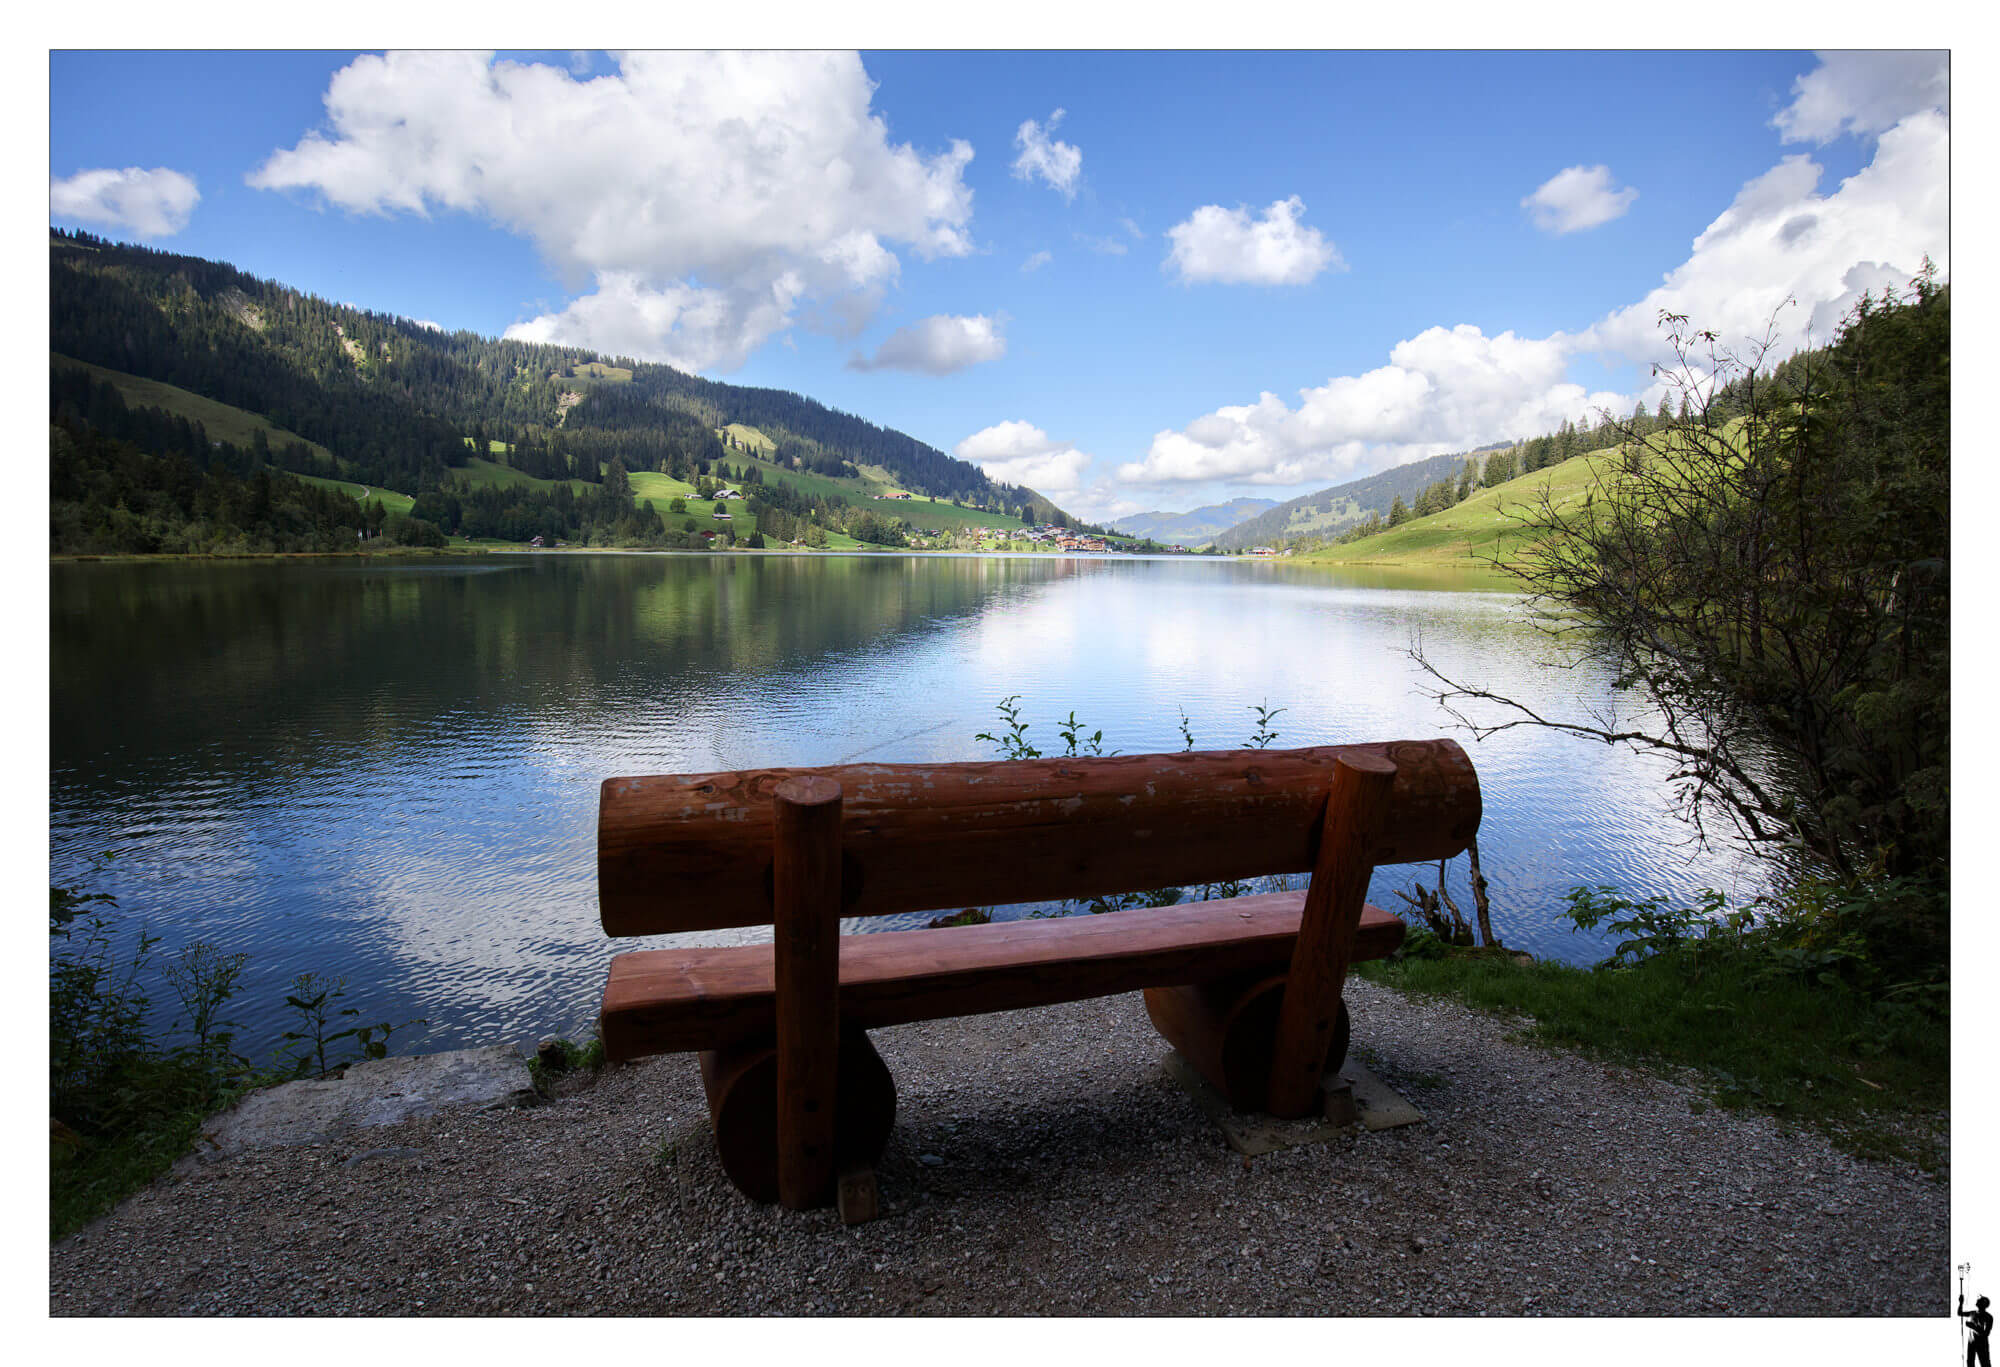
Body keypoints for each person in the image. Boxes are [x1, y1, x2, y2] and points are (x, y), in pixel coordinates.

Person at [1962, 1292, 1993, 1367]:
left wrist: (1972, 1327)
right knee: (1970, 1363)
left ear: (1983, 1304)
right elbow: (1959, 1313)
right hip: (1971, 1342)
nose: (1977, 1301)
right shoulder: (1972, 1313)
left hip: (1982, 1344)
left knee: (1985, 1363)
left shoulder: (1988, 1317)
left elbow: (1986, 1334)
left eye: (1979, 1300)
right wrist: (1960, 1303)